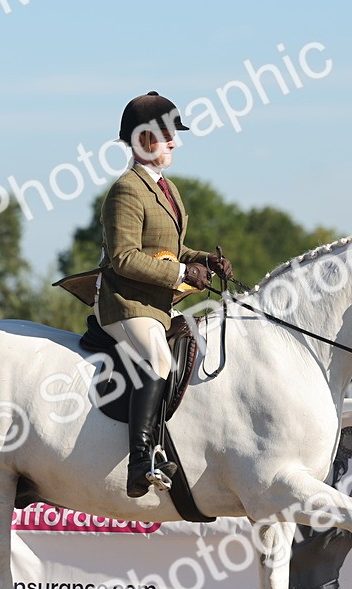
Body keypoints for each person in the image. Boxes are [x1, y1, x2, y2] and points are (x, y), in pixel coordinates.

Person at [96, 91, 233, 498]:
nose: (175, 141)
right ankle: (141, 461)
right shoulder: (126, 190)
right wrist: (179, 273)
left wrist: (204, 259)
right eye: (166, 133)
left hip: (157, 304)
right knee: (157, 358)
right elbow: (123, 258)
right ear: (141, 139)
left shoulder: (166, 187)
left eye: (173, 133)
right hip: (126, 303)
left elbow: (172, 245)